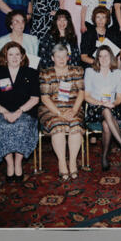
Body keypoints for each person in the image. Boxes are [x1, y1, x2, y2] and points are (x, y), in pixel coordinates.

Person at [0, 42, 39, 182]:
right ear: (5, 56)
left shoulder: (30, 73)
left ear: (22, 57)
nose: (14, 57)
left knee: (21, 126)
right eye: (11, 54)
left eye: (17, 54)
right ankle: (9, 163)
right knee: (3, 127)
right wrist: (5, 113)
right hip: (1, 113)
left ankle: (18, 163)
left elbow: (35, 99)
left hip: (25, 113)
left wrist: (19, 112)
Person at [84, 46, 121, 171]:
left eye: (106, 55)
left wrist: (113, 104)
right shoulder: (90, 72)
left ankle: (104, 156)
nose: (103, 58)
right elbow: (87, 97)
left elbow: (119, 98)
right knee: (105, 110)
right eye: (100, 56)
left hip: (112, 108)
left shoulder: (117, 73)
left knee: (107, 124)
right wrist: (101, 103)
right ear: (97, 58)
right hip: (94, 107)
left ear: (111, 57)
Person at [38, 45, 85, 180]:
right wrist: (59, 113)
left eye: (64, 56)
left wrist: (74, 110)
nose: (61, 59)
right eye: (58, 56)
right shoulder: (46, 73)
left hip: (73, 107)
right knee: (58, 126)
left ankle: (72, 162)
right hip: (51, 109)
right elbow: (45, 98)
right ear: (52, 58)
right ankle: (62, 162)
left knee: (75, 125)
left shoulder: (77, 71)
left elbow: (81, 93)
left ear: (68, 57)